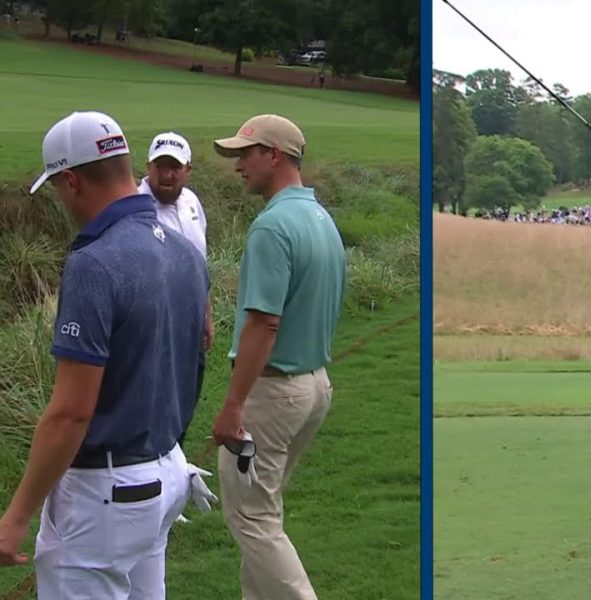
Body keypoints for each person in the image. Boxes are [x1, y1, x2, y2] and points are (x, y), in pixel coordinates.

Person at [0, 111, 212, 599]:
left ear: (71, 181)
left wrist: (17, 516)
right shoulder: (184, 252)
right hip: (165, 469)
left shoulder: (94, 262)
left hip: (107, 492)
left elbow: (72, 412)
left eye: (56, 186)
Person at [212, 114, 346, 599]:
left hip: (273, 393)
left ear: (274, 155)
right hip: (314, 387)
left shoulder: (272, 227)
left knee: (252, 518)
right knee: (263, 513)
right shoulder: (321, 219)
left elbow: (265, 323)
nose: (238, 167)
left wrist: (232, 405)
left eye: (245, 155)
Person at [138, 131, 215, 352]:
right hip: (153, 325)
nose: (166, 175)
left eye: (175, 167)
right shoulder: (135, 206)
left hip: (191, 319)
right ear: (148, 166)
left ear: (188, 169)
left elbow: (200, 264)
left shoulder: (191, 201)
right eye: (159, 166)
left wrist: (206, 314)